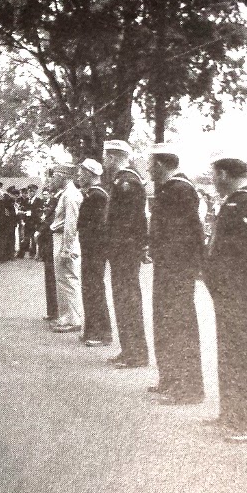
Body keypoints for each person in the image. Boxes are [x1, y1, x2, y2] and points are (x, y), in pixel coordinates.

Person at [203, 148, 247, 442]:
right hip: (229, 294)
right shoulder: (233, 201)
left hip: (243, 293)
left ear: (223, 174)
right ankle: (231, 413)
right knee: (230, 353)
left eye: (214, 175)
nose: (213, 181)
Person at [148, 143, 205, 405]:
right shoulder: (171, 189)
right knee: (166, 322)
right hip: (168, 267)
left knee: (179, 323)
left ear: (160, 165)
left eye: (150, 164)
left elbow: (184, 234)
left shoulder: (179, 189)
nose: (148, 169)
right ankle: (170, 379)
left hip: (176, 268)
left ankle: (188, 388)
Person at [103, 139, 149, 369]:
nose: (104, 162)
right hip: (122, 250)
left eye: (105, 157)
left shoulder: (127, 182)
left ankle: (136, 353)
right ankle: (128, 349)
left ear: (112, 157)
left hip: (125, 250)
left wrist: (132, 247)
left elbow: (133, 221)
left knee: (128, 299)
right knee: (122, 299)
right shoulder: (122, 181)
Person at [76, 159, 111, 346]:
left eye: (82, 173)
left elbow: (96, 226)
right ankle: (92, 329)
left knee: (94, 288)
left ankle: (100, 332)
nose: (79, 177)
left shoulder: (97, 196)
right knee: (90, 288)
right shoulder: (93, 194)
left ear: (91, 174)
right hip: (91, 248)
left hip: (94, 249)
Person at [48, 164, 84, 333]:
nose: (52, 179)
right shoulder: (67, 194)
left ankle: (74, 318)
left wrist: (67, 249)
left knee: (68, 279)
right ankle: (66, 316)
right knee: (63, 279)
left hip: (64, 238)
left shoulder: (70, 195)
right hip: (60, 237)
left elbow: (71, 224)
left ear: (63, 176)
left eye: (54, 175)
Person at [38, 184, 59, 321]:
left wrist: (40, 229)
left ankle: (55, 312)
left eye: (51, 192)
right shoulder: (55, 199)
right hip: (47, 241)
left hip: (52, 241)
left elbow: (51, 220)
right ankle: (52, 312)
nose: (49, 195)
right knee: (50, 277)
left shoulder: (59, 199)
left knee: (53, 277)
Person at [18, 184, 42, 259]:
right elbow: (23, 209)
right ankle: (21, 253)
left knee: (34, 238)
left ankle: (33, 253)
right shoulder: (26, 200)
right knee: (25, 238)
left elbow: (39, 212)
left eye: (32, 191)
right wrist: (23, 216)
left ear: (35, 192)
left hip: (35, 222)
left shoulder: (39, 201)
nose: (31, 193)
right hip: (27, 222)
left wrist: (31, 213)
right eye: (29, 191)